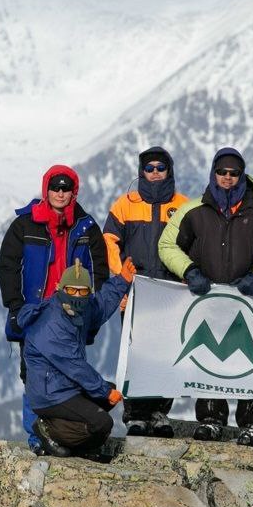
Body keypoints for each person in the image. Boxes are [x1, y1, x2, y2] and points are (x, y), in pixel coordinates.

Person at [158, 146, 253, 446]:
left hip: (246, 300)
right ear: (213, 174)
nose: (227, 178)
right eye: (221, 172)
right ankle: (211, 418)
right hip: (205, 299)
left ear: (242, 176)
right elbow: (167, 244)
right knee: (208, 359)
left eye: (233, 173)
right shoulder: (194, 210)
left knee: (249, 359)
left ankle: (251, 423)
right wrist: (189, 271)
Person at [0, 165, 109, 453]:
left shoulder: (86, 226)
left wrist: (93, 310)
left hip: (72, 313)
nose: (60, 193)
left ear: (74, 191)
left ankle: (62, 434)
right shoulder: (25, 225)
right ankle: (37, 437)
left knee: (71, 372)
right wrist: (16, 306)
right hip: (35, 315)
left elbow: (101, 272)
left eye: (65, 188)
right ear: (46, 190)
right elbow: (7, 266)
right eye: (55, 187)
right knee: (32, 375)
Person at [103, 146, 189, 438]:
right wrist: (121, 278)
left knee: (166, 352)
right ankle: (135, 415)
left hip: (169, 291)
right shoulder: (125, 204)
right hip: (135, 290)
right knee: (135, 350)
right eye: (149, 168)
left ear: (169, 171)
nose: (154, 173)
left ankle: (159, 411)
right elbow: (109, 242)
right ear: (141, 172)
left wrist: (186, 275)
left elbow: (193, 245)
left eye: (160, 168)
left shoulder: (183, 205)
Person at [17, 259, 136, 457]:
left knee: (108, 399)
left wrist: (122, 280)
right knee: (102, 423)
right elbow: (75, 366)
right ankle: (49, 430)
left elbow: (100, 306)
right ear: (60, 288)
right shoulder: (52, 323)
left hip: (65, 385)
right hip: (49, 393)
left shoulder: (81, 307)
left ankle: (70, 438)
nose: (77, 296)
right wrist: (104, 391)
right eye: (72, 290)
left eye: (82, 291)